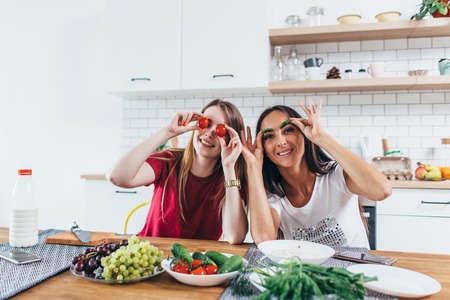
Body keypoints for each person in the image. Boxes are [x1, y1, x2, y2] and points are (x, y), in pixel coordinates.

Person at [241, 99, 392, 248]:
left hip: (353, 271)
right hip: (306, 272)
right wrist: (253, 165)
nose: (281, 142)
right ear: (264, 149)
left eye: (288, 130)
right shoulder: (274, 197)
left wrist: (321, 138)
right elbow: (263, 239)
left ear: (304, 136)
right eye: (269, 137)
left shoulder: (336, 176)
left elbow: (382, 190)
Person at [108, 99, 248, 244]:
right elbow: (117, 176)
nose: (209, 133)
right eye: (206, 123)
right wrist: (167, 132)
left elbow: (234, 236)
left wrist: (229, 167)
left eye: (221, 130)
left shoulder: (229, 179)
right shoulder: (169, 161)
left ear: (231, 138)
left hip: (195, 263)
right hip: (152, 255)